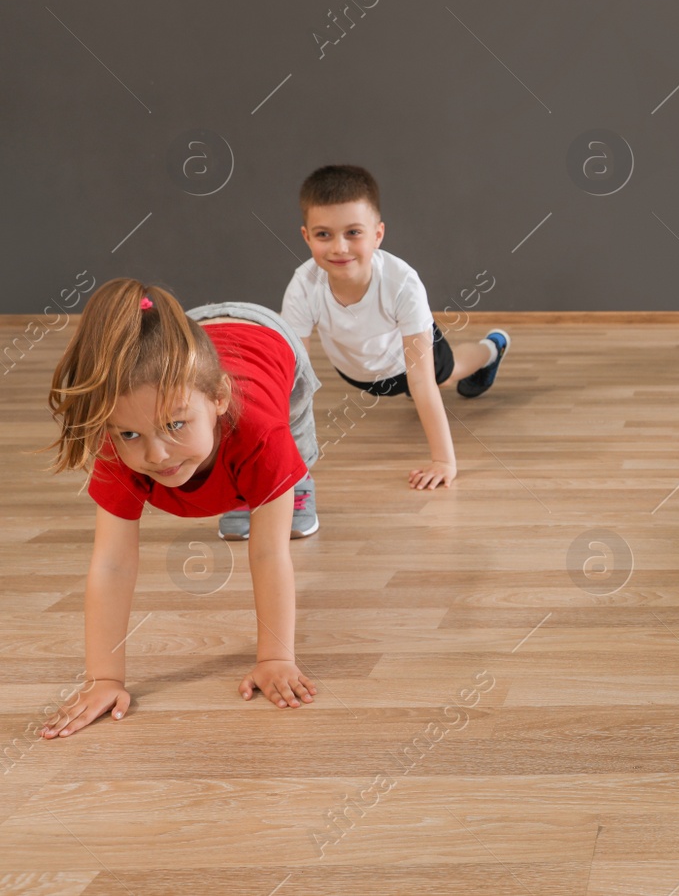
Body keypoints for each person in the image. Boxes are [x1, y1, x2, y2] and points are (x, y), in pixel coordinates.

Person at [41, 280, 321, 737]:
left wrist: (275, 658)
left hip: (269, 338)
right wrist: (104, 678)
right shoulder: (117, 446)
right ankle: (250, 488)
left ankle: (284, 489)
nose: (158, 455)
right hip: (199, 328)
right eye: (131, 434)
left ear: (219, 400)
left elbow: (269, 555)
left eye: (176, 425)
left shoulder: (261, 434)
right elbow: (112, 563)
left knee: (293, 460)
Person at [282, 165, 508, 491]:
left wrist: (444, 461)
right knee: (414, 388)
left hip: (409, 360)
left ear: (377, 234)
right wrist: (288, 463)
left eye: (353, 233)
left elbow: (421, 380)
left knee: (446, 375)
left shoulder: (401, 283)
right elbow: (293, 378)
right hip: (360, 372)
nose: (339, 247)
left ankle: (491, 348)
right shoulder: (304, 286)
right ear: (306, 236)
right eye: (323, 235)